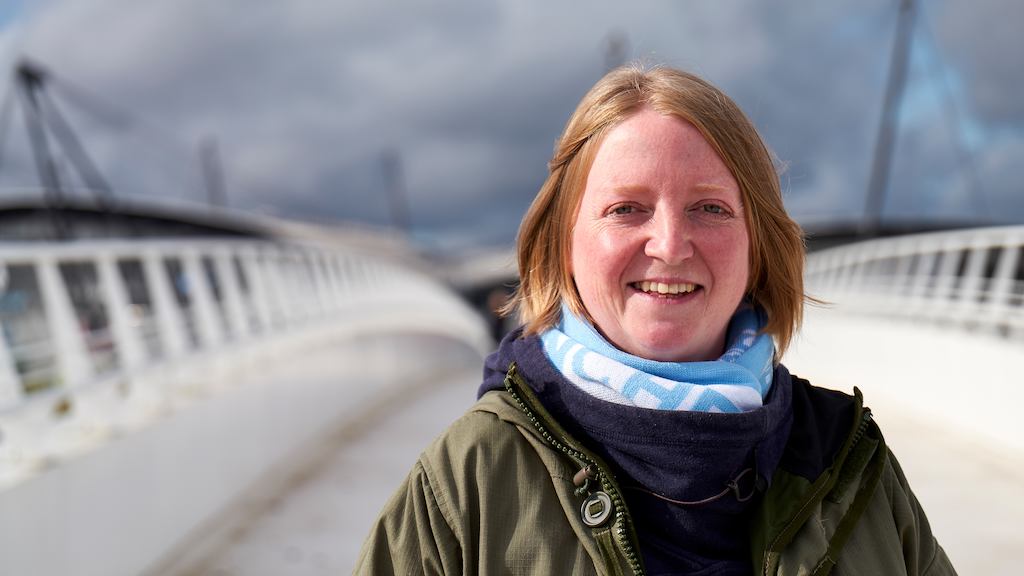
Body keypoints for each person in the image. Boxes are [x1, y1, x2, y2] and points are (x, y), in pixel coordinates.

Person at [355, 64, 955, 575]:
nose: (669, 245)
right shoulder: (470, 479)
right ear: (563, 243)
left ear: (758, 243)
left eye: (710, 208)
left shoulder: (852, 464)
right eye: (626, 208)